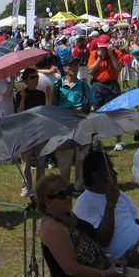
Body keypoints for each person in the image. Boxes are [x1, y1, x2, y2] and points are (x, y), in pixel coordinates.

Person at [53, 55, 96, 192]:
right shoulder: (58, 86)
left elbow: (93, 104)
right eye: (71, 65)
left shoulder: (84, 85)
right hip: (64, 120)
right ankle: (64, 185)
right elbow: (53, 106)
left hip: (81, 118)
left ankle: (80, 184)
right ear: (64, 68)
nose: (74, 68)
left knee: (81, 154)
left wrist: (91, 117)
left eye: (76, 65)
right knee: (64, 155)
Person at [87, 35, 124, 151]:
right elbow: (90, 71)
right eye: (101, 47)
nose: (103, 49)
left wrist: (111, 55)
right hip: (98, 84)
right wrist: (99, 58)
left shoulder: (117, 53)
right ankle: (97, 140)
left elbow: (118, 69)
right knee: (96, 112)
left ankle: (118, 140)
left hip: (112, 84)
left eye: (105, 47)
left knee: (115, 112)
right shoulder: (94, 54)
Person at [15, 67, 47, 196]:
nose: (35, 79)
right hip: (25, 131)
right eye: (32, 77)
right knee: (26, 162)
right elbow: (19, 112)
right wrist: (22, 98)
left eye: (37, 77)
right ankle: (26, 187)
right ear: (26, 80)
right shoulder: (20, 94)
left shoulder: (41, 94)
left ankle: (41, 186)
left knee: (41, 161)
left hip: (39, 130)